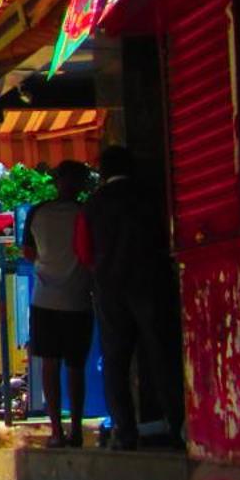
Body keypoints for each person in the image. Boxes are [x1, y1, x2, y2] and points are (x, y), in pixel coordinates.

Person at [80, 145, 185, 449]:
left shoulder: (93, 205)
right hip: (151, 283)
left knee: (115, 361)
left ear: (103, 172)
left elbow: (83, 250)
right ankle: (178, 426)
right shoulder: (151, 196)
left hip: (110, 290)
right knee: (161, 356)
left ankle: (125, 432)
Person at [21, 161, 93, 448]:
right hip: (78, 299)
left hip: (44, 300)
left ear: (56, 182)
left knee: (49, 365)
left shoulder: (39, 212)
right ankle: (75, 429)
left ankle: (56, 431)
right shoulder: (85, 213)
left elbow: (28, 252)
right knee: (76, 367)